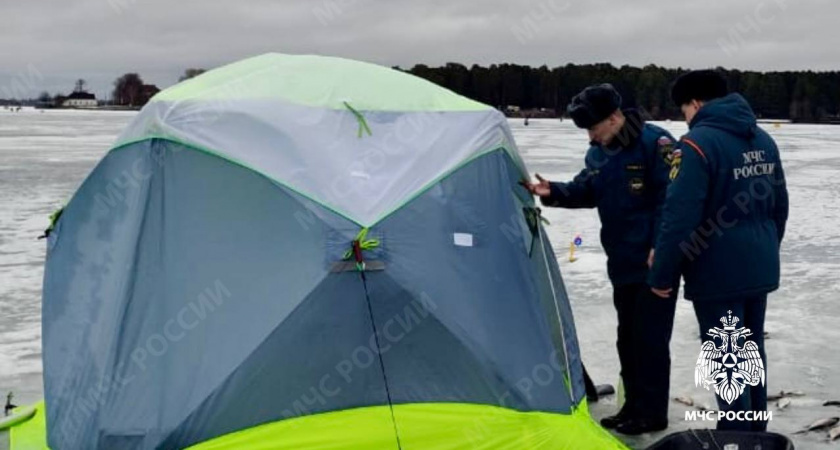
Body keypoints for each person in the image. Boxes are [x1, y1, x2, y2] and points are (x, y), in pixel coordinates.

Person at [523, 84, 678, 434]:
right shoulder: (599, 154)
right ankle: (633, 406)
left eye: (595, 129)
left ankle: (652, 413)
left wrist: (663, 248)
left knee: (650, 340)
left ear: (614, 118)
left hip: (655, 263)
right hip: (622, 261)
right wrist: (555, 192)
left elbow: (675, 200)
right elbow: (588, 189)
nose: (591, 138)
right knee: (628, 339)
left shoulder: (657, 145)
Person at [648, 70, 789, 432]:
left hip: (717, 271)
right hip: (758, 266)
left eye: (684, 109)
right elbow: (780, 206)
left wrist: (663, 274)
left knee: (729, 359)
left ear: (695, 103)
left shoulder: (695, 145)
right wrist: (764, 251)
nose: (685, 117)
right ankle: (756, 435)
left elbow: (678, 218)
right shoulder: (763, 139)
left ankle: (735, 436)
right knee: (751, 353)